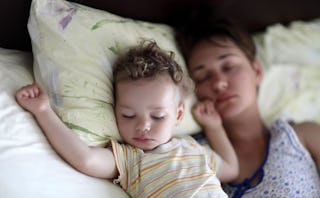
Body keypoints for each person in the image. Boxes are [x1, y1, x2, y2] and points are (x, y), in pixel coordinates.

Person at [15, 40, 239, 197]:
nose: (143, 126)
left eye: (158, 116)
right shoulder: (131, 160)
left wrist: (215, 127)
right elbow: (85, 159)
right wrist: (43, 111)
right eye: (128, 115)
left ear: (178, 114)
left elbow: (231, 168)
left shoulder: (193, 148)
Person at [177, 16, 320, 197]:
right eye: (203, 77)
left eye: (229, 66)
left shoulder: (303, 136)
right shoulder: (197, 156)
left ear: (257, 71)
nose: (219, 83)